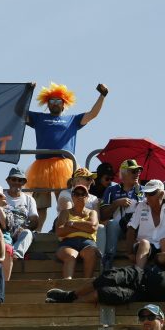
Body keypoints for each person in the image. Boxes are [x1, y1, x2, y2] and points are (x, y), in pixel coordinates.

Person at [25, 82, 108, 231]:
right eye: (52, 101)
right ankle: (37, 232)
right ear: (47, 104)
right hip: (41, 165)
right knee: (40, 206)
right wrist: (27, 91)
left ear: (64, 104)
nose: (55, 103)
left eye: (58, 101)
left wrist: (102, 96)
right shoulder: (38, 117)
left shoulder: (72, 119)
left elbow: (92, 114)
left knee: (64, 200)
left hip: (64, 164)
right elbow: (20, 113)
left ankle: (62, 229)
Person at [45, 250, 165, 305]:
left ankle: (72, 304)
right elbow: (158, 259)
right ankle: (70, 295)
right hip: (139, 274)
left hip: (142, 295)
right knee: (108, 277)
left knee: (106, 293)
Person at [101, 159, 146, 271]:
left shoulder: (144, 190)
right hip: (120, 228)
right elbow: (103, 215)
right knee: (111, 223)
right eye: (133, 171)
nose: (137, 174)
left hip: (138, 228)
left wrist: (139, 199)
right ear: (124, 174)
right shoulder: (111, 190)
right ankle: (108, 261)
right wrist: (116, 203)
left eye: (138, 172)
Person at [56, 185, 99, 279]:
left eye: (83, 194)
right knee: (71, 255)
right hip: (68, 243)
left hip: (87, 242)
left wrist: (71, 223)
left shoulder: (92, 212)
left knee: (90, 252)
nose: (80, 196)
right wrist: (83, 227)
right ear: (72, 197)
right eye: (76, 194)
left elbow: (92, 227)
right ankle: (67, 285)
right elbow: (59, 231)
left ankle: (86, 283)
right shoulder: (65, 212)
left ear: (87, 197)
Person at [2, 167, 38, 259]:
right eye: (14, 179)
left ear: (24, 182)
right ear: (8, 181)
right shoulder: (1, 197)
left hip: (21, 233)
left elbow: (35, 221)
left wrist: (24, 228)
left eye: (20, 180)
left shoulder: (29, 199)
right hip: (4, 232)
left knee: (28, 233)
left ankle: (15, 254)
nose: (17, 182)